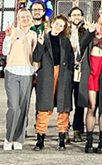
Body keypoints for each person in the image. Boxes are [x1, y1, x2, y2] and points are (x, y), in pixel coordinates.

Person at [77, 5, 102, 154]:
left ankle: (101, 141)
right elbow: (81, 46)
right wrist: (89, 32)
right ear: (99, 15)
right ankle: (89, 141)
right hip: (91, 72)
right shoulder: (93, 31)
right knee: (91, 107)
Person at [32, 15, 74, 151]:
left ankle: (61, 139)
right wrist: (39, 43)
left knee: (63, 109)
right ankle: (40, 139)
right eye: (57, 24)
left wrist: (69, 75)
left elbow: (71, 61)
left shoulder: (65, 41)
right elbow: (36, 57)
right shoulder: (43, 38)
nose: (58, 27)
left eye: (61, 26)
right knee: (44, 109)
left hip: (62, 75)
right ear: (52, 23)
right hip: (46, 76)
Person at [2, 8, 37, 151]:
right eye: (22, 17)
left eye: (27, 17)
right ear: (18, 19)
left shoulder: (34, 34)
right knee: (14, 107)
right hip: (12, 72)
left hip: (27, 73)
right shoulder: (13, 32)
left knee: (23, 107)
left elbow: (35, 56)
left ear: (31, 19)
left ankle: (18, 138)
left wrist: (35, 71)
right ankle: (8, 138)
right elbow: (4, 51)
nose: (25, 19)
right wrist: (8, 37)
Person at [68, 6, 87, 142]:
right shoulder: (64, 32)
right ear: (69, 18)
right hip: (67, 71)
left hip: (80, 71)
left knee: (79, 102)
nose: (76, 17)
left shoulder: (85, 32)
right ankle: (64, 128)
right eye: (74, 15)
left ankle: (77, 129)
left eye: (78, 15)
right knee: (66, 102)